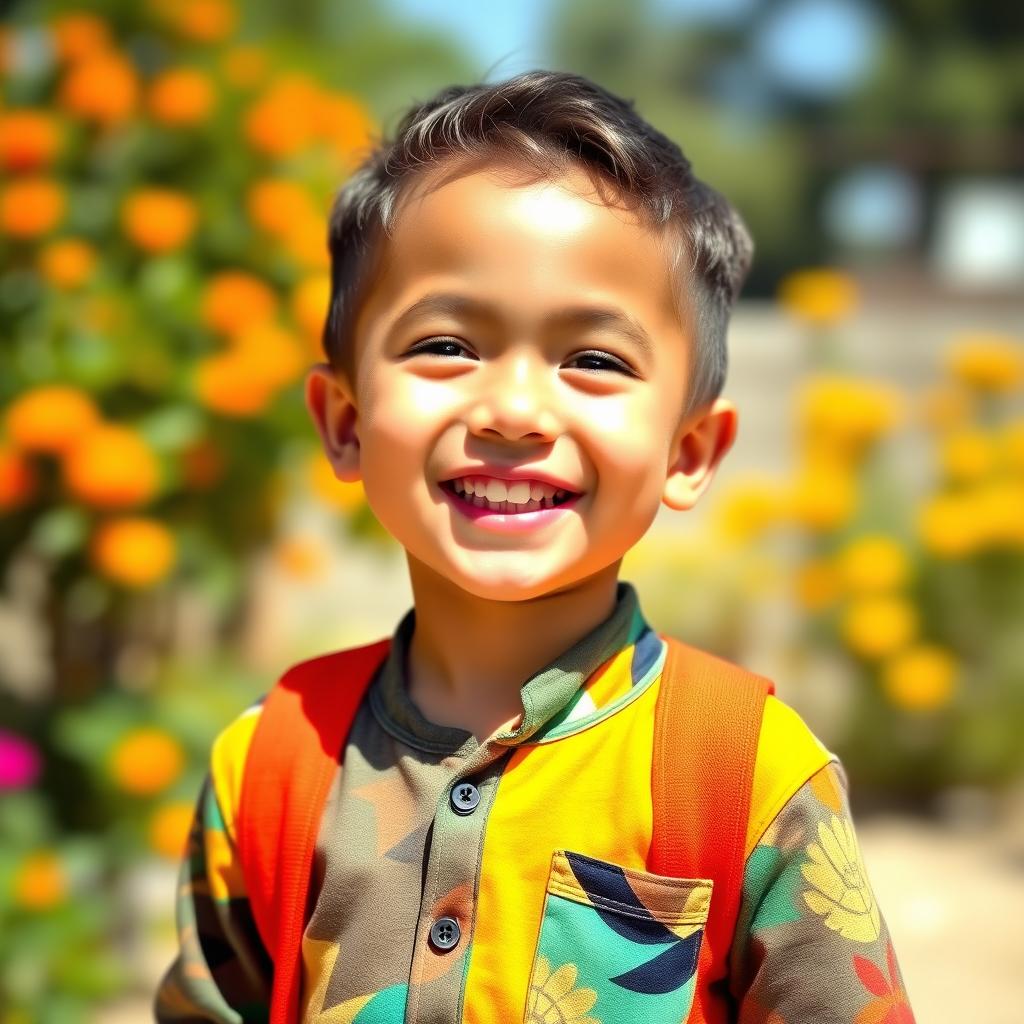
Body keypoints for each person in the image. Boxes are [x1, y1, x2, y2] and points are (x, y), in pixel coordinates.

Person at [154, 70, 915, 1023]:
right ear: (344, 422)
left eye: (594, 359)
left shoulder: (745, 776)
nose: (514, 411)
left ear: (689, 451)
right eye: (446, 345)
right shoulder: (268, 764)